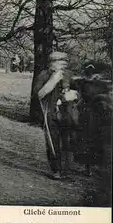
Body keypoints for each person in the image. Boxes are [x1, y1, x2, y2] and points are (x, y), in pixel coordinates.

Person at [33, 51, 76, 180]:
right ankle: (56, 170)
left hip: (67, 113)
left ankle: (67, 170)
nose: (63, 66)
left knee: (67, 143)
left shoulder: (68, 75)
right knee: (53, 142)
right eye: (60, 63)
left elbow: (77, 92)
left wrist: (73, 95)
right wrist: (52, 81)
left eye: (65, 63)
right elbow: (38, 94)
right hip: (49, 114)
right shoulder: (44, 75)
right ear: (52, 63)